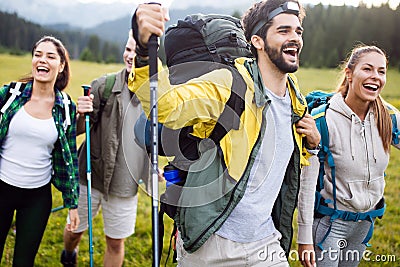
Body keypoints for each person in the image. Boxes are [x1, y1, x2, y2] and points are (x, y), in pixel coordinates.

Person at [130, 1, 321, 266]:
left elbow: (297, 167)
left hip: (265, 243)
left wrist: (313, 144)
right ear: (258, 41)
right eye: (283, 31)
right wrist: (142, 52)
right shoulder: (230, 84)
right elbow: (166, 104)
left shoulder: (295, 97)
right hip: (211, 243)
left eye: (298, 31)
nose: (295, 39)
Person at [298, 44, 400, 267]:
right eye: (367, 69)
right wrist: (304, 239)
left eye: (381, 71)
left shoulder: (389, 117)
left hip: (364, 225)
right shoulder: (322, 122)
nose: (375, 77)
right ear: (349, 73)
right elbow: (305, 186)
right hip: (329, 226)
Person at [60, 30, 150, 267]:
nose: (131, 56)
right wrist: (82, 114)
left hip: (124, 184)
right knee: (74, 231)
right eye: (128, 49)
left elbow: (154, 140)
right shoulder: (103, 86)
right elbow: (80, 130)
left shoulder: (156, 95)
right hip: (89, 175)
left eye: (138, 52)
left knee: (115, 243)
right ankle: (69, 254)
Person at [0, 36, 79, 267]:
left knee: (24, 262)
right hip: (2, 188)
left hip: (36, 197)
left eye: (50, 56)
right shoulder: (10, 95)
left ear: (61, 65)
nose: (42, 60)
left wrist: (72, 204)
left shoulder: (65, 107)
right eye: (38, 54)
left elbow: (69, 158)